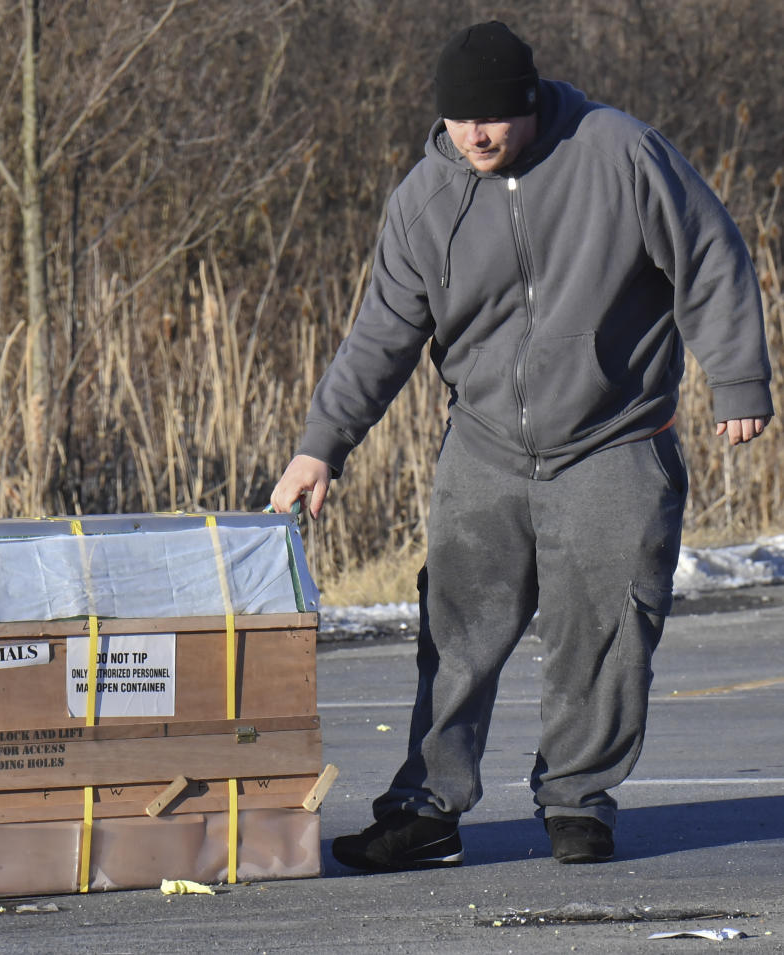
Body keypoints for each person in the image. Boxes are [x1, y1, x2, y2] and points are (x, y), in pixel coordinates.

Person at [270, 21, 773, 869]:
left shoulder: (617, 152)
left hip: (616, 439)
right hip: (487, 447)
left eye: (494, 119)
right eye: (461, 121)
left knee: (604, 633)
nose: (477, 136)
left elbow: (709, 254)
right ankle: (426, 808)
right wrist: (323, 444)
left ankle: (578, 799)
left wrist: (739, 379)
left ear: (530, 102)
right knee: (456, 635)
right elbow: (381, 336)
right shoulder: (425, 201)